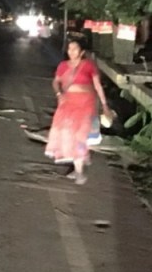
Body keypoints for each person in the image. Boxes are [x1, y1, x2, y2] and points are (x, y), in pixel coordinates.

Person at [46, 39, 112, 185]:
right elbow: (56, 82)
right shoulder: (62, 66)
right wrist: (59, 94)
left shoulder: (89, 65)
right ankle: (78, 165)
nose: (71, 52)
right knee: (67, 135)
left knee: (79, 136)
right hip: (67, 104)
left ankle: (80, 172)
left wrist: (105, 105)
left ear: (82, 52)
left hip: (86, 104)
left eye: (75, 49)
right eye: (69, 49)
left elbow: (98, 86)